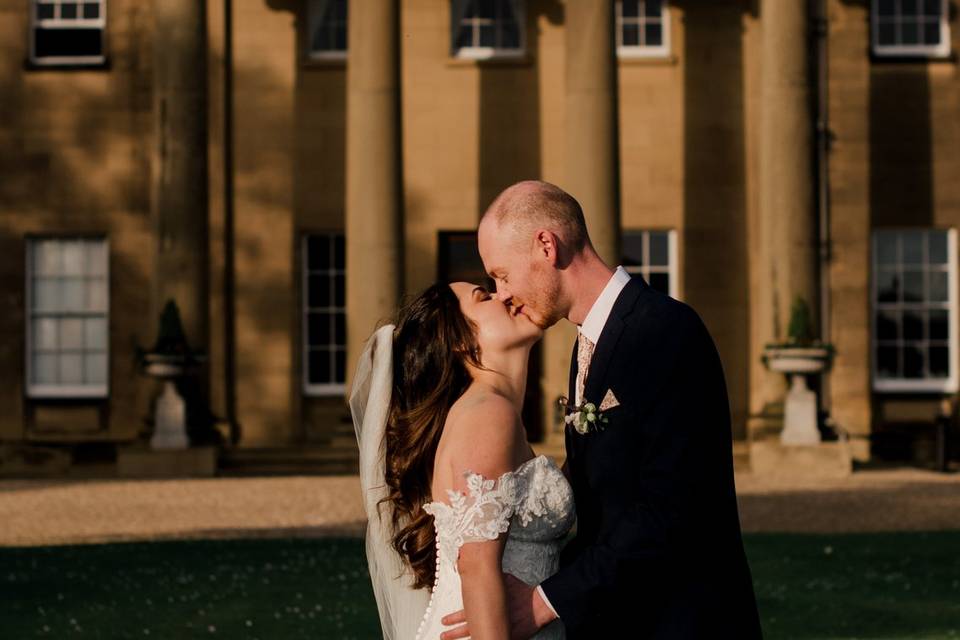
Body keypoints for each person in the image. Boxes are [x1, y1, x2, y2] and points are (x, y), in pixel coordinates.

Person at [439, 180, 763, 639]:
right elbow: (605, 506)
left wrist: (544, 601)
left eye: (502, 275)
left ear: (546, 246)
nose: (503, 293)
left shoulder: (663, 330)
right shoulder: (585, 346)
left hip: (681, 621)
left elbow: (672, 508)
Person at [350, 281, 575, 640]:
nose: (505, 295)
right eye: (484, 296)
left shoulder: (487, 411)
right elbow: (478, 569)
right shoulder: (488, 414)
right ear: (460, 341)